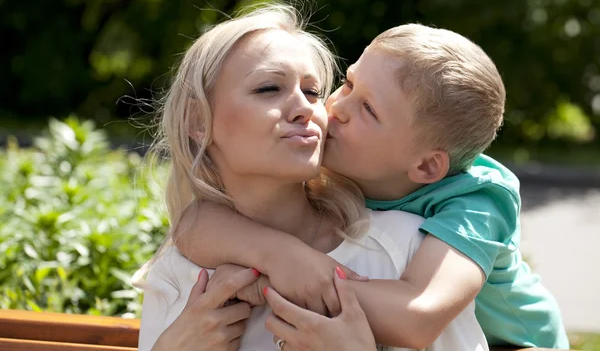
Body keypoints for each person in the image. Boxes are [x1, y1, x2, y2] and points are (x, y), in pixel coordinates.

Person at [174, 21, 569, 348]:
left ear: (427, 166)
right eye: (347, 84)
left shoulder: (477, 201)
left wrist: (272, 286)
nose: (335, 108)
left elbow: (416, 316)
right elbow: (194, 226)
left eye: (368, 109)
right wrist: (279, 255)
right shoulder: (354, 163)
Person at [135, 3, 488, 351]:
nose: (306, 107)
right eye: (269, 88)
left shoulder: (405, 248)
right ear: (198, 122)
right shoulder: (176, 273)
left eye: (312, 91)